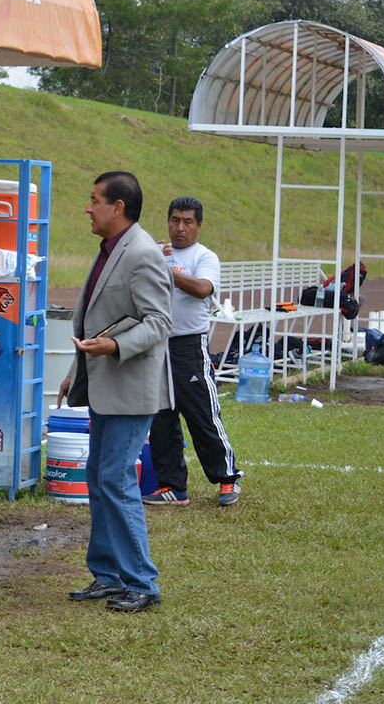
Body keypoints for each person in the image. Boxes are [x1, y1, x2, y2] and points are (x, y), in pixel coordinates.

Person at [59, 171, 173, 613]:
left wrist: (115, 346)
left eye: (94, 200)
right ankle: (107, 575)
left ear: (118, 207)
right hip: (105, 384)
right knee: (99, 477)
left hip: (130, 389)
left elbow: (160, 322)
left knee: (117, 479)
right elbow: (94, 316)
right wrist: (77, 370)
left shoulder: (142, 254)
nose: (88, 207)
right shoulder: (110, 250)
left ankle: (142, 581)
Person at [144, 196, 243, 507]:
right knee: (161, 417)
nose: (180, 227)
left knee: (202, 414)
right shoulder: (156, 253)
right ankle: (172, 485)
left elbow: (202, 289)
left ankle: (227, 478)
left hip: (190, 345)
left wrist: (167, 269)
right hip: (157, 344)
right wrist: (151, 260)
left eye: (188, 221)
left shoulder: (205, 257)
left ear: (198, 225)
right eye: (175, 220)